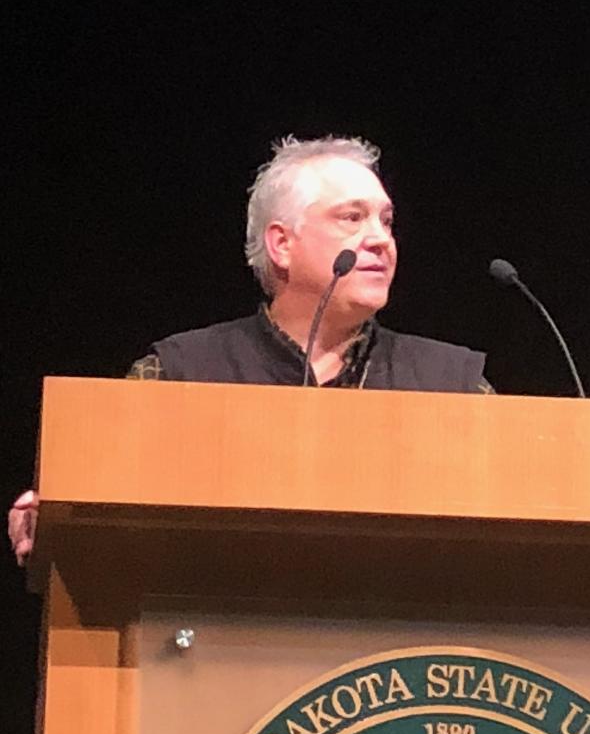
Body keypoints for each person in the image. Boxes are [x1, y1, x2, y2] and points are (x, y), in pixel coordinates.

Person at [8, 135, 492, 563]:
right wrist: (51, 514)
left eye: (386, 221)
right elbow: (93, 499)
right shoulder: (179, 374)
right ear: (281, 244)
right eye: (352, 218)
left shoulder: (455, 385)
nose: (380, 240)